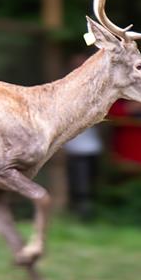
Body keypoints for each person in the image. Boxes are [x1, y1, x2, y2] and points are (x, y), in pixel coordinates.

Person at [63, 54, 103, 220]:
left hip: (91, 146)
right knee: (78, 183)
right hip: (73, 146)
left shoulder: (96, 87)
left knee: (90, 180)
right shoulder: (66, 88)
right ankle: (80, 211)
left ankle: (87, 210)